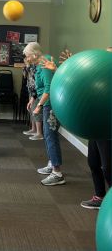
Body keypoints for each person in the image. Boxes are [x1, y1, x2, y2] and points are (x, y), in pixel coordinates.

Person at [40, 48, 112, 208]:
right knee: (93, 163)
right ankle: (99, 196)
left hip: (108, 128)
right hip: (95, 126)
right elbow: (81, 85)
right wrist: (60, 70)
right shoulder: (101, 74)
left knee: (108, 168)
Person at [23, 42, 65, 186]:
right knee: (48, 136)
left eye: (28, 56)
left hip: (50, 105)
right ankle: (52, 163)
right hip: (46, 104)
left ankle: (57, 173)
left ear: (34, 54)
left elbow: (49, 88)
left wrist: (39, 106)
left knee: (50, 136)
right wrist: (33, 99)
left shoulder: (45, 63)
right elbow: (37, 86)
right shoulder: (38, 64)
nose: (26, 59)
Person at [23, 59, 43, 140]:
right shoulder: (28, 67)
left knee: (36, 110)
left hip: (36, 91)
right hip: (31, 90)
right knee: (31, 109)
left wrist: (29, 66)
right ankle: (33, 129)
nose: (27, 60)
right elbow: (25, 76)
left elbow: (36, 79)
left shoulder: (35, 66)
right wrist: (26, 67)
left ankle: (39, 133)